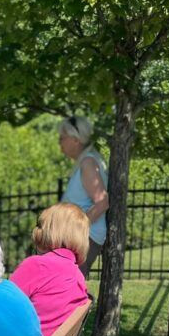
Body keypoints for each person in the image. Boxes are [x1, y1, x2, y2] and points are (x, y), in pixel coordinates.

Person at [10, 203, 91, 336]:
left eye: (41, 226)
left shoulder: (37, 266)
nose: (37, 231)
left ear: (51, 232)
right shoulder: (78, 277)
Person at [58, 115, 109, 274]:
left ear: (75, 139)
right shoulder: (86, 162)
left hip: (82, 239)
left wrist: (76, 230)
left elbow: (102, 203)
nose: (59, 142)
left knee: (65, 289)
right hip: (77, 238)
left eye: (62, 137)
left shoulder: (88, 163)